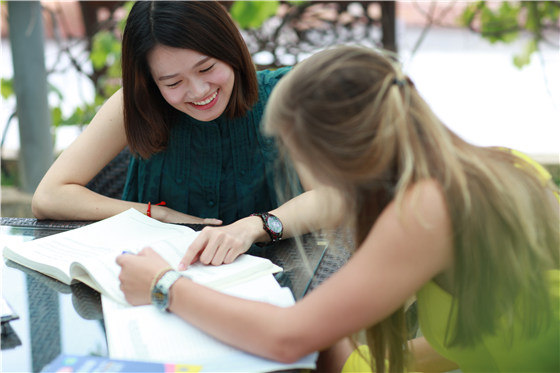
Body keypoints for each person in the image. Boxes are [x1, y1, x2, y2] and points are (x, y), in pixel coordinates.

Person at [116, 45, 559, 372]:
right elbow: (477, 339)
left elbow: (288, 339)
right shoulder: (493, 167)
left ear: (334, 152)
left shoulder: (427, 210)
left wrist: (164, 284)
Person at [32, 1, 341, 263]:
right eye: (172, 83)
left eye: (206, 69)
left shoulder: (287, 95)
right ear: (151, 82)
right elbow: (49, 196)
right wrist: (157, 215)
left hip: (275, 284)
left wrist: (253, 227)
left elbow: (331, 197)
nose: (199, 92)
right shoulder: (136, 103)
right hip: (153, 280)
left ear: (231, 49)